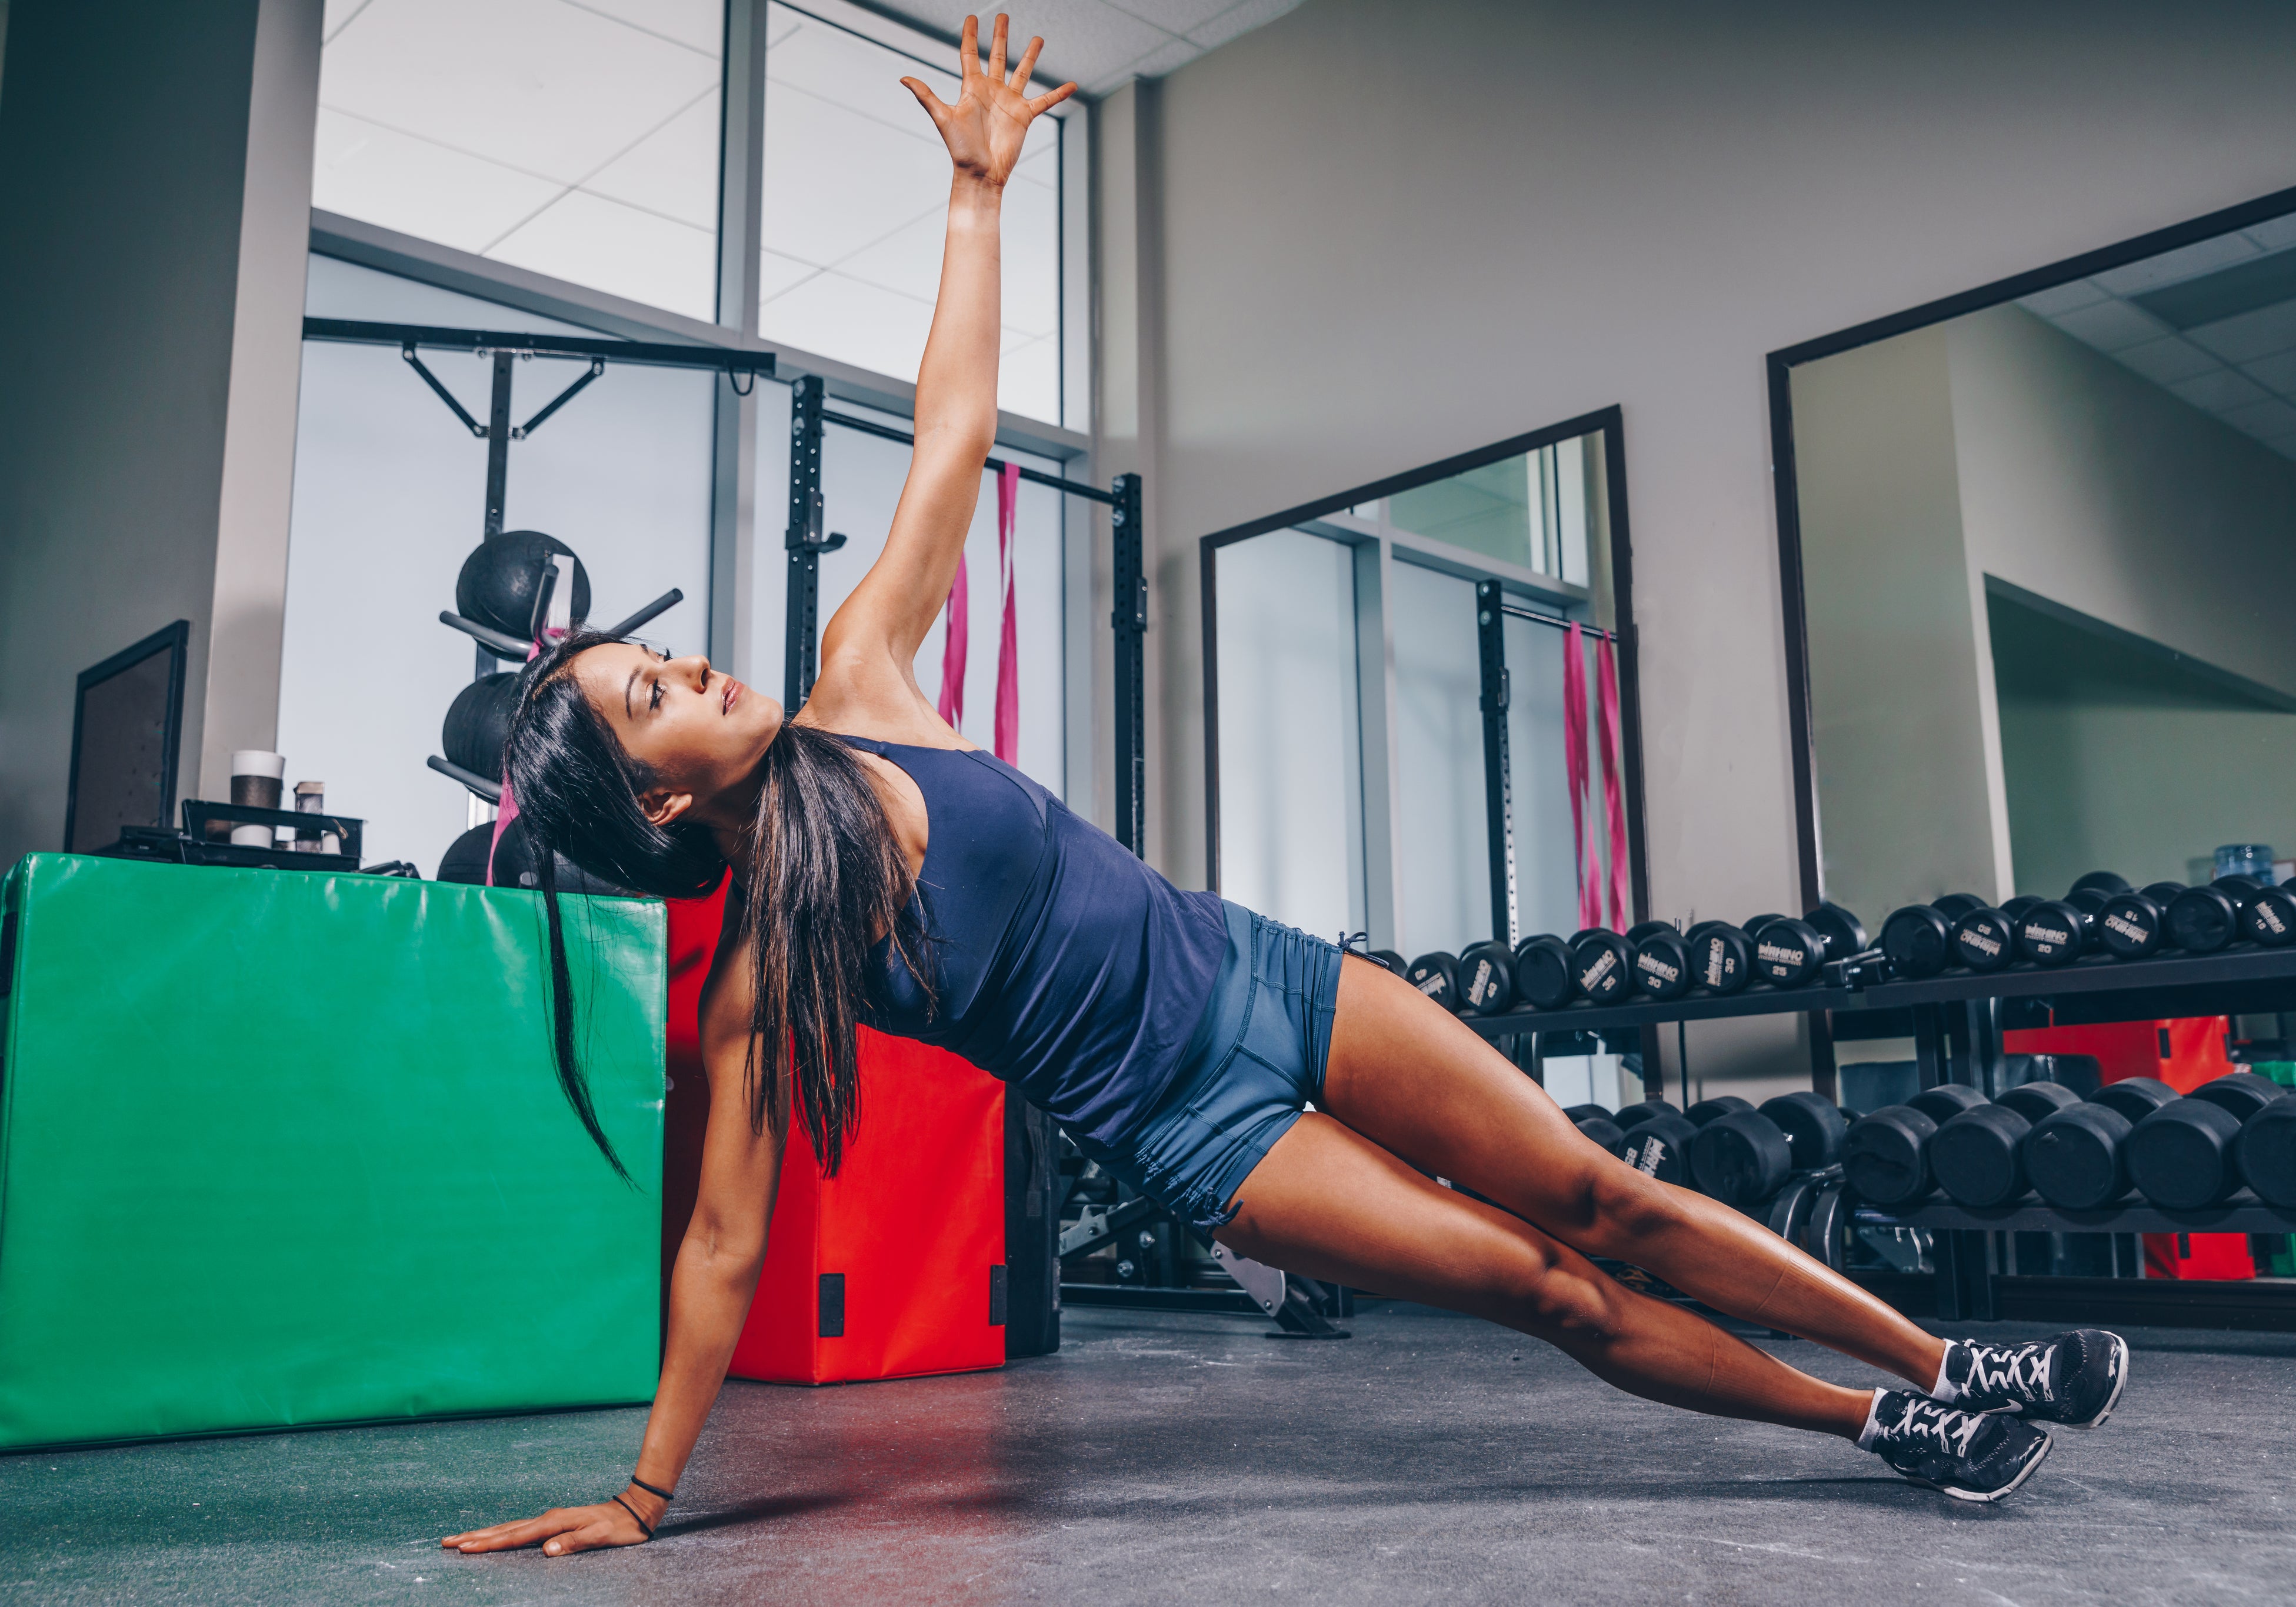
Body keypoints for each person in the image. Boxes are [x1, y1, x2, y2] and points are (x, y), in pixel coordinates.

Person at [442, 16, 2125, 1557]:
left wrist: (973, 199)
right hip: (1201, 1129)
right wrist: (646, 1493)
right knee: (1544, 1286)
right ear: (652, 804)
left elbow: (949, 432)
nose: (696, 672)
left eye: (662, 657)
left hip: (1270, 974)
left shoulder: (861, 674)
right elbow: (726, 1246)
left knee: (1597, 1190)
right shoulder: (760, 981)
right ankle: (1893, 1421)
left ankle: (1955, 1349)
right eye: (652, 698)